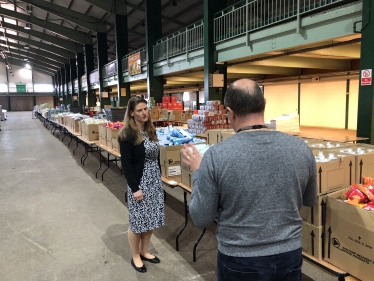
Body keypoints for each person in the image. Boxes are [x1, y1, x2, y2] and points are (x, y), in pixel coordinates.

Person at [181, 79, 317, 281]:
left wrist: (199, 172)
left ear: (230, 112)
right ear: (264, 104)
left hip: (240, 259)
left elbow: (201, 217)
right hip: (289, 254)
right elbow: (309, 200)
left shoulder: (216, 156)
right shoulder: (301, 148)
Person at [118, 96, 165, 273]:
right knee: (137, 222)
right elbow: (127, 164)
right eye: (139, 110)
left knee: (150, 219)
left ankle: (145, 251)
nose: (144, 112)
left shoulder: (151, 130)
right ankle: (135, 255)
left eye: (146, 109)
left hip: (154, 181)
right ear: (131, 113)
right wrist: (135, 188)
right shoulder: (127, 135)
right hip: (139, 182)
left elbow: (155, 157)